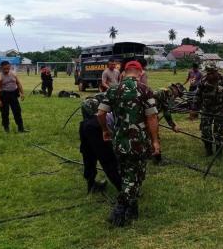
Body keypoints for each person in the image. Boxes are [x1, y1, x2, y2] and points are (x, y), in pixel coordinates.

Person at [97, 60, 160, 227]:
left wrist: (105, 130)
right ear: (140, 73)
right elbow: (152, 117)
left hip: (119, 140)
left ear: (124, 73)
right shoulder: (145, 90)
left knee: (128, 173)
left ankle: (132, 208)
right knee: (134, 175)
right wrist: (155, 141)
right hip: (138, 141)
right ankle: (119, 210)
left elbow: (100, 113)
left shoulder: (112, 90)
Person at [80, 96, 122, 193]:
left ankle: (91, 184)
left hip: (88, 130)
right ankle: (123, 190)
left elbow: (84, 148)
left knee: (88, 158)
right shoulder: (99, 122)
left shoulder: (83, 124)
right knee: (109, 162)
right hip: (97, 132)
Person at [194, 63, 223, 156]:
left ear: (216, 72)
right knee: (205, 130)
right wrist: (194, 107)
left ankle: (219, 152)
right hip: (206, 109)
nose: (210, 75)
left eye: (212, 73)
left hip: (220, 109)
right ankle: (208, 151)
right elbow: (198, 95)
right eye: (208, 73)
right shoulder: (203, 80)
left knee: (220, 131)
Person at [152, 83, 186, 164]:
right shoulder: (167, 93)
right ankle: (158, 160)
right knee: (155, 136)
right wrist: (173, 126)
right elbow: (166, 112)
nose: (176, 97)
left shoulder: (163, 90)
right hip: (150, 115)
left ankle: (149, 154)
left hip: (148, 114)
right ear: (176, 90)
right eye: (178, 94)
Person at [0, 61, 27, 133]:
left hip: (13, 94)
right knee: (5, 112)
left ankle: (21, 128)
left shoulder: (13, 74)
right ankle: (6, 129)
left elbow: (18, 83)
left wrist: (22, 93)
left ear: (10, 67)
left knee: (17, 111)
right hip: (4, 95)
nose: (6, 70)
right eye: (4, 69)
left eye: (8, 68)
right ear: (1, 68)